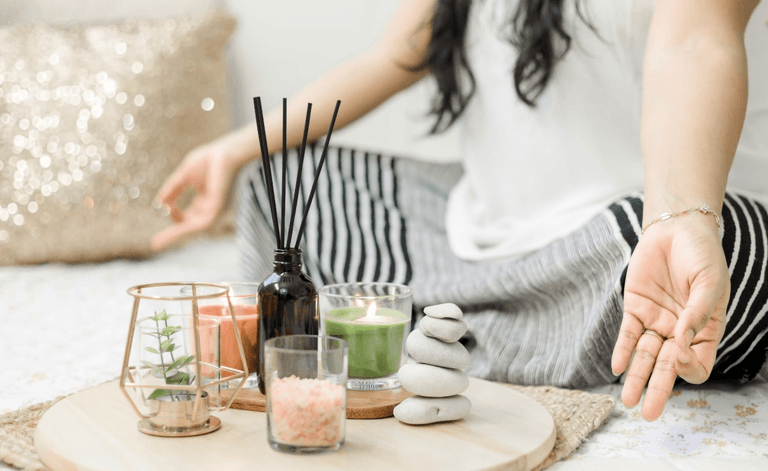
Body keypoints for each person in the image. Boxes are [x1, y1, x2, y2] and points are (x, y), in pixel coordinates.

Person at [152, 0, 768, 421]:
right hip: (469, 230)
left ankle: (454, 332)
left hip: (630, 238)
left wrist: (681, 216)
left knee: (738, 254)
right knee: (278, 175)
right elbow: (395, 56)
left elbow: (694, 40)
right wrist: (232, 150)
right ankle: (501, 332)